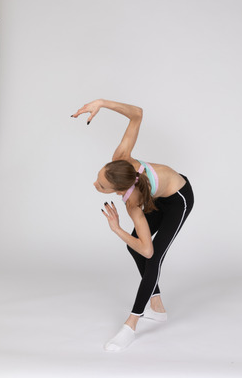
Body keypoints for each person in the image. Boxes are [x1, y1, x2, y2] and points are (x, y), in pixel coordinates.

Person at [71, 99, 194, 351]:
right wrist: (101, 103)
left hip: (179, 198)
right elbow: (136, 114)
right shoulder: (120, 159)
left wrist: (117, 230)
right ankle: (157, 307)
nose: (96, 185)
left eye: (102, 187)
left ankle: (131, 324)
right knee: (134, 247)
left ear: (119, 190)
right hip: (157, 197)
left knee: (153, 258)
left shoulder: (133, 205)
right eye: (99, 178)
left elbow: (148, 251)